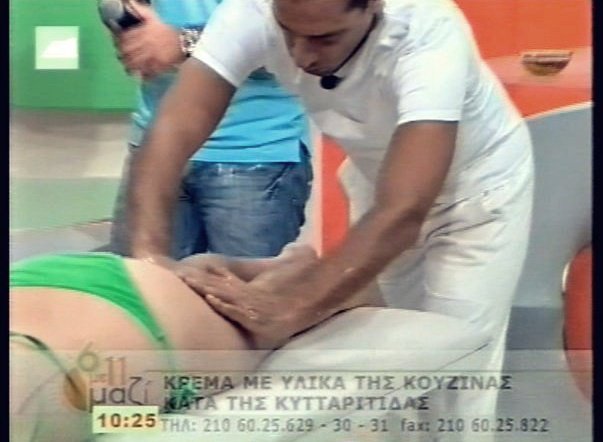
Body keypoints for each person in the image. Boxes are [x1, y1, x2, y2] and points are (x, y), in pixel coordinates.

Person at [124, 0, 534, 429]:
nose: (301, 56)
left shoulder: (427, 31)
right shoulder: (252, 11)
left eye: (324, 39)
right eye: (288, 33)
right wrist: (149, 257)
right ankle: (297, 271)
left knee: (455, 375)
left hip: (475, 194)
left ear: (373, 8)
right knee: (400, 368)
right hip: (383, 182)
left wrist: (290, 308)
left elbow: (404, 209)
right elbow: (174, 128)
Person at [9, 246, 384, 441]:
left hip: (144, 319)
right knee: (233, 299)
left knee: (262, 320)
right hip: (42, 285)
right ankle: (273, 264)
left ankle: (286, 265)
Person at [109, 0, 313, 259]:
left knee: (248, 283)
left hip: (254, 150)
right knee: (139, 279)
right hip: (155, 141)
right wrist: (128, 21)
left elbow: (302, 38)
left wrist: (183, 42)